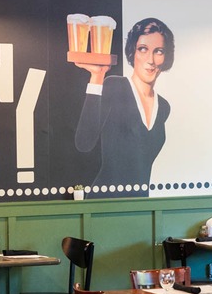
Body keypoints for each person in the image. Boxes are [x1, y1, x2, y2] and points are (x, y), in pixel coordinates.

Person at [74, 17, 175, 194]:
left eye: (158, 51)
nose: (150, 59)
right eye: (143, 49)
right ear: (132, 52)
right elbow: (84, 143)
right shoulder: (115, 86)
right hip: (105, 205)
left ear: (166, 56)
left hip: (138, 205)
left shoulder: (164, 107)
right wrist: (97, 77)